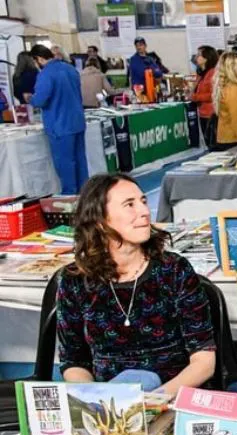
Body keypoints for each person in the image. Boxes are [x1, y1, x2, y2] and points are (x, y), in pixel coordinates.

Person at [56, 174, 216, 394]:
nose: (144, 211)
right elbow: (74, 362)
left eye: (143, 201)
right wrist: (95, 398)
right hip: (110, 400)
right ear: (100, 220)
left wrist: (155, 401)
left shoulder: (174, 270)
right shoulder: (75, 280)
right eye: (129, 205)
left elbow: (204, 362)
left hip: (173, 393)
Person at [29, 45, 88, 194]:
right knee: (80, 161)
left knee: (65, 164)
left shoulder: (46, 74)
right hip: (77, 121)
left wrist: (30, 99)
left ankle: (69, 198)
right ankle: (86, 195)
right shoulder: (70, 69)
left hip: (60, 125)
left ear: (39, 59)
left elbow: (40, 100)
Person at [212, 51, 237, 149]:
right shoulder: (233, 89)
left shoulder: (226, 86)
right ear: (232, 69)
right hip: (234, 139)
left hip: (227, 138)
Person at [190, 46, 219, 149]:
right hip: (203, 113)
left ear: (206, 58)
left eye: (199, 55)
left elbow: (213, 94)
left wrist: (195, 97)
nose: (196, 57)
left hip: (210, 114)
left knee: (212, 144)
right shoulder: (201, 74)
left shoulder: (212, 73)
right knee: (208, 143)